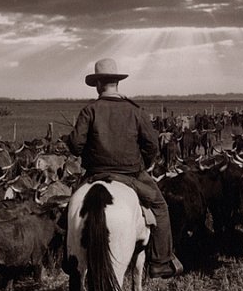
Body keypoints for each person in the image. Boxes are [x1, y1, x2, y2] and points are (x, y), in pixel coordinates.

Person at [64, 58, 183, 279]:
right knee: (160, 208)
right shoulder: (135, 111)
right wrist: (144, 164)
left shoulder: (89, 110)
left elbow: (76, 146)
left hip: (95, 175)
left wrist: (70, 140)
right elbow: (152, 145)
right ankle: (160, 262)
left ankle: (68, 257)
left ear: (98, 84)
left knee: (71, 206)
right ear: (117, 83)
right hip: (132, 175)